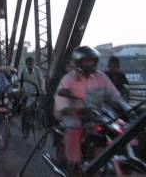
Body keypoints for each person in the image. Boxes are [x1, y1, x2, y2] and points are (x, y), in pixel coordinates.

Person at [54, 46, 131, 174]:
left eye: (92, 61)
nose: (90, 64)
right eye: (87, 61)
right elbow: (60, 98)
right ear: (78, 62)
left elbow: (114, 95)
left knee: (121, 127)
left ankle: (124, 160)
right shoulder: (68, 78)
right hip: (76, 114)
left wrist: (128, 108)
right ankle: (73, 162)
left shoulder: (101, 77)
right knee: (74, 128)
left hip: (98, 113)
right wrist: (69, 109)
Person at [19, 57, 46, 138]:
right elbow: (19, 81)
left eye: (32, 64)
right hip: (26, 94)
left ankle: (37, 120)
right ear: (26, 64)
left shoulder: (37, 70)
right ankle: (24, 129)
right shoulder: (23, 71)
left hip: (35, 93)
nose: (31, 66)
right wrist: (20, 91)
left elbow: (41, 81)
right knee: (24, 112)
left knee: (36, 107)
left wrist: (43, 90)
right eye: (29, 64)